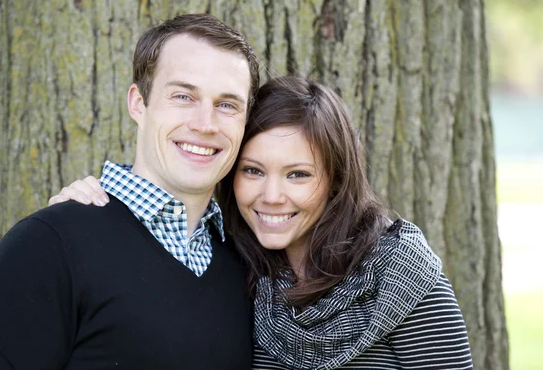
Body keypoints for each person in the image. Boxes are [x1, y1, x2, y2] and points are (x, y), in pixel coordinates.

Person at [51, 76, 474, 369]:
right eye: (253, 171)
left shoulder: (400, 272)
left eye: (298, 174)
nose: (271, 196)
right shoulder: (232, 266)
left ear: (336, 180)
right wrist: (79, 214)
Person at [0, 13, 261, 369]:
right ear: (138, 103)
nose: (205, 124)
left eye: (227, 105)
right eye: (183, 96)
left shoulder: (246, 265)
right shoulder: (46, 247)